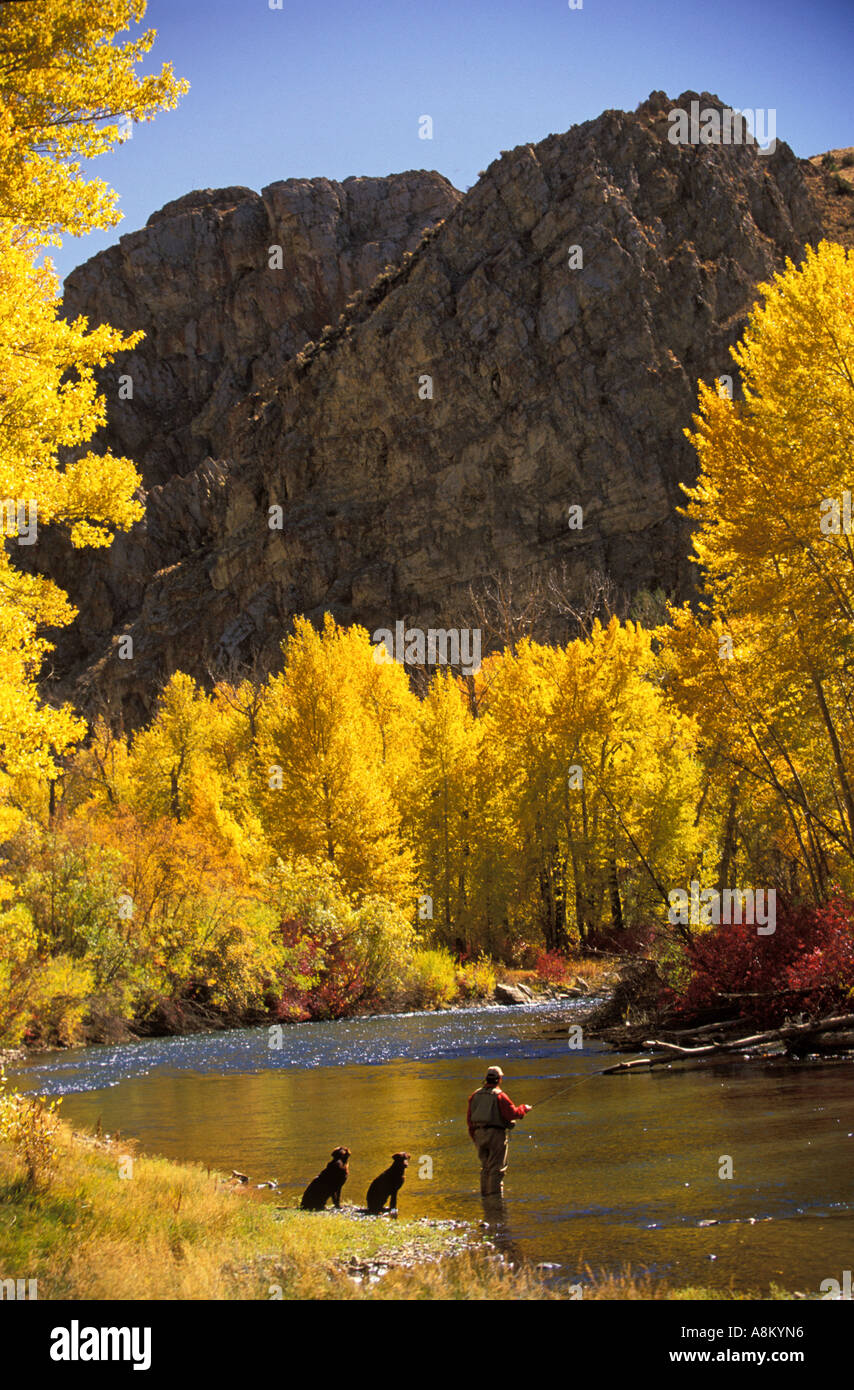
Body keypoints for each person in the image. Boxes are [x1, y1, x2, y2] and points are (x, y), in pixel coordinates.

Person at [466, 1064, 531, 1197]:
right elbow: (512, 1113)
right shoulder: (500, 1095)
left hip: (479, 1134)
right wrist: (524, 1108)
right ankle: (495, 1202)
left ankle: (485, 1198)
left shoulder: (474, 1095)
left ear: (486, 1078)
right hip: (495, 1135)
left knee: (485, 1168)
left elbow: (469, 1119)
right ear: (499, 1079)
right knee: (496, 1169)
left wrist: (475, 1137)